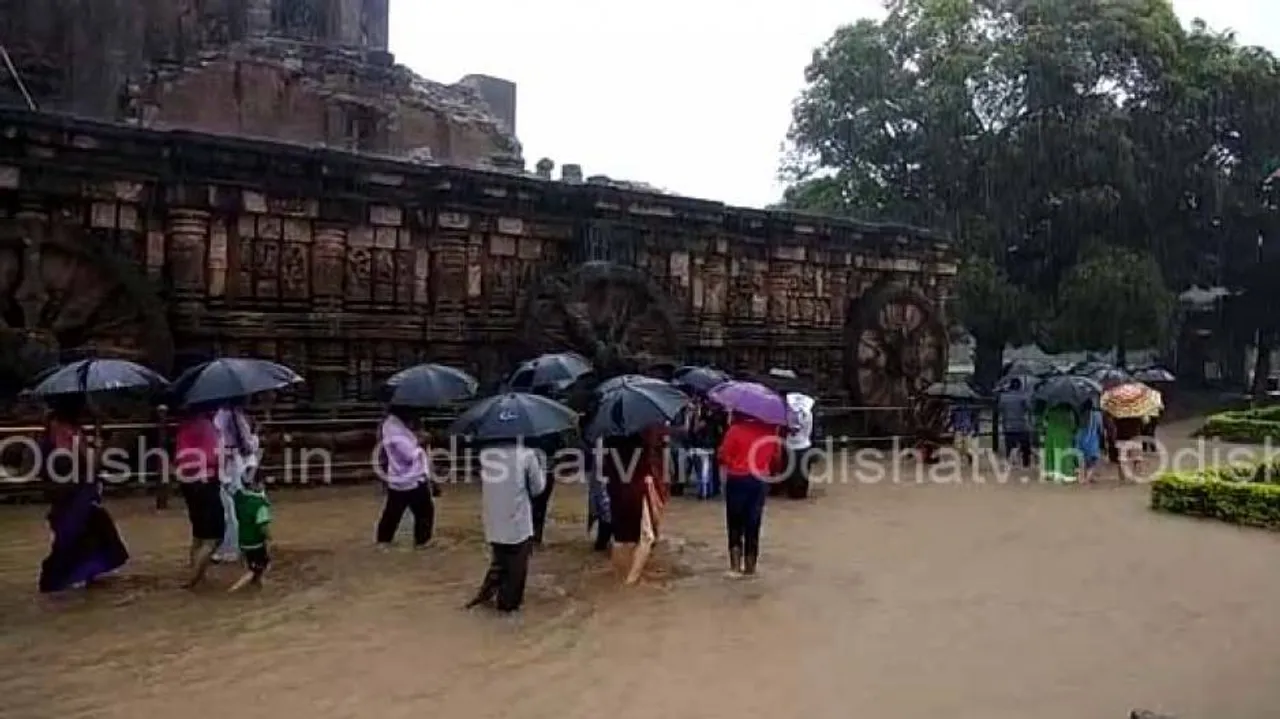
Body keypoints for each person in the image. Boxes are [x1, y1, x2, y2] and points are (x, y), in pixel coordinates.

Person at [37, 398, 129, 593]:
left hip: (62, 493)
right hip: (76, 493)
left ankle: (73, 579)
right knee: (83, 535)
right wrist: (99, 447)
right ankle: (72, 580)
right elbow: (89, 465)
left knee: (78, 533)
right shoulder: (70, 433)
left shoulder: (50, 432)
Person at [466, 437, 545, 612]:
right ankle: (505, 614)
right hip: (517, 523)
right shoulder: (527, 454)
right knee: (515, 574)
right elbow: (538, 488)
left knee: (499, 562)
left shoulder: (486, 454)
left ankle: (483, 599)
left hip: (493, 520)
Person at [718, 412, 782, 577]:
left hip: (737, 479)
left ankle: (735, 567)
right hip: (760, 481)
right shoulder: (770, 431)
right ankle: (750, 567)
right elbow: (777, 458)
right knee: (753, 521)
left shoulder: (735, 430)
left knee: (735, 522)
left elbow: (723, 456)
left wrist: (734, 463)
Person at [175, 405, 223, 588]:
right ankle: (192, 579)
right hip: (205, 481)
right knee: (214, 536)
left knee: (199, 533)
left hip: (188, 482)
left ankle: (197, 575)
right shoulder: (205, 426)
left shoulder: (184, 426)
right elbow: (212, 457)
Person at [374, 406, 435, 548]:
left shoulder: (397, 424)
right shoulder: (393, 427)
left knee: (394, 511)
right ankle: (421, 542)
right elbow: (408, 454)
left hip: (404, 475)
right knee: (423, 511)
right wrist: (420, 441)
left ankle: (384, 541)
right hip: (407, 476)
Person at [212, 400, 259, 563]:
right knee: (232, 507)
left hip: (230, 463)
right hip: (232, 462)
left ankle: (231, 547)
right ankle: (236, 545)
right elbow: (248, 445)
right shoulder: (235, 416)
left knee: (229, 508)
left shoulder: (225, 416)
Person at [228, 475, 272, 592]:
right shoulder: (260, 505)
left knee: (253, 565)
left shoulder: (239, 496)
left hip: (243, 540)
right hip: (256, 542)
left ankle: (257, 585)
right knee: (258, 568)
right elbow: (263, 527)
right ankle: (233, 590)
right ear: (255, 484)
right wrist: (269, 539)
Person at [783, 392, 816, 498]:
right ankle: (800, 492)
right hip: (804, 444)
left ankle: (794, 492)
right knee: (801, 471)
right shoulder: (808, 414)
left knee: (793, 471)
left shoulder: (791, 415)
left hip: (794, 445)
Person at [997, 380, 1034, 467]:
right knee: (1025, 446)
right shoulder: (1023, 396)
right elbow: (1029, 408)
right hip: (1021, 425)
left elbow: (999, 409)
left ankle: (1010, 461)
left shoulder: (1003, 397)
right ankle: (1026, 462)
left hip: (1008, 425)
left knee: (1009, 445)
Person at [1039, 403, 1078, 483]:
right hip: (1065, 434)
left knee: (1051, 453)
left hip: (1051, 433)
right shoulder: (1069, 410)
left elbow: (1044, 421)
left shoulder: (1049, 408)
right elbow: (1074, 424)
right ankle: (1067, 475)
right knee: (1066, 454)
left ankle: (1051, 474)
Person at [1075, 400, 1104, 484]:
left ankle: (1081, 478)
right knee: (1093, 461)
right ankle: (1087, 478)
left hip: (1080, 437)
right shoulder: (1097, 415)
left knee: (1081, 459)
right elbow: (1100, 429)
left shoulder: (1079, 414)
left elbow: (1075, 426)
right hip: (1092, 439)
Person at [1111, 414, 1146, 481]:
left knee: (1122, 459)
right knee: (1137, 458)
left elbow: (1114, 422)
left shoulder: (1118, 412)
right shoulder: (1137, 412)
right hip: (1135, 436)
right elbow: (1143, 424)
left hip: (1121, 437)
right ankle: (1136, 476)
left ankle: (1122, 477)